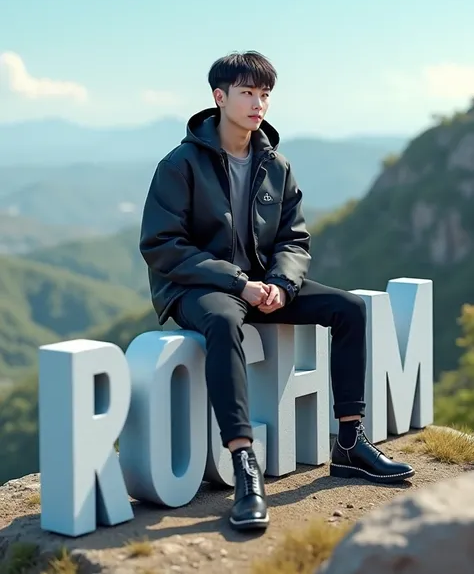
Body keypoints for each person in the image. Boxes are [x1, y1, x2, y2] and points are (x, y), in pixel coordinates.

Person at [139, 51, 415, 532]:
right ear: (219, 97)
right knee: (224, 321)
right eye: (247, 92)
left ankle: (349, 442)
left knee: (349, 308)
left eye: (264, 93)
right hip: (200, 286)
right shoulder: (180, 164)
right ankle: (244, 465)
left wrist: (283, 287)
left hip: (264, 284)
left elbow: (294, 239)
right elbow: (162, 245)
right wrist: (237, 283)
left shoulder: (276, 165)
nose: (257, 103)